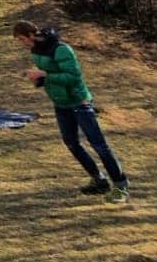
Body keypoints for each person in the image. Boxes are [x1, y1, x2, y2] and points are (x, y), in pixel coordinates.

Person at [12, 20, 129, 201]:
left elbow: (73, 77)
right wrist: (38, 80)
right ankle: (99, 180)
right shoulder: (36, 52)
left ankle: (121, 187)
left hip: (79, 103)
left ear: (30, 35)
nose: (22, 44)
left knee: (99, 145)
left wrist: (45, 75)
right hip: (61, 104)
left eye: (22, 40)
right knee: (72, 143)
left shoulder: (61, 49)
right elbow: (50, 74)